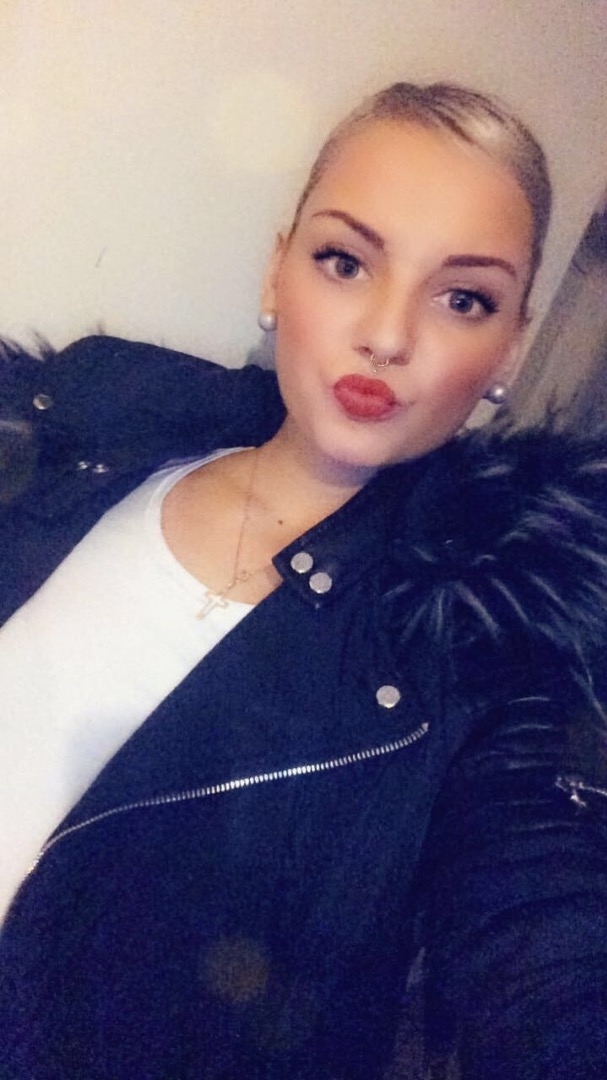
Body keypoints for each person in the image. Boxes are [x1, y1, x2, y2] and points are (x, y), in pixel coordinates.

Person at [0, 81, 606, 1079]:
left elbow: (539, 925)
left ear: (508, 345)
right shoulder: (77, 440)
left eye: (462, 298)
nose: (387, 333)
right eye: (345, 261)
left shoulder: (485, 660)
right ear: (277, 271)